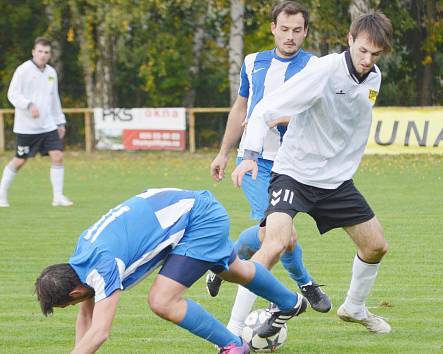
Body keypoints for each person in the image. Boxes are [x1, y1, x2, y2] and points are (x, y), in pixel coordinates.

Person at [231, 11, 394, 334]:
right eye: (362, 51)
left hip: (335, 181)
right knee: (274, 244)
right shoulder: (323, 70)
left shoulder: (373, 77)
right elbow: (266, 108)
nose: (367, 60)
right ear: (349, 40)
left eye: (375, 55)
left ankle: (354, 307)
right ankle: (233, 330)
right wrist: (249, 155)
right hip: (294, 173)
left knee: (376, 245)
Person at [34, 188, 307, 354]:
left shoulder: (102, 267)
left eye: (69, 303)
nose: (76, 306)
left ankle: (233, 346)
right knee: (235, 271)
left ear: (75, 290)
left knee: (162, 300)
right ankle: (290, 302)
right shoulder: (81, 260)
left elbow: (99, 331)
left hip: (197, 219)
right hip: (190, 210)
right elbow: (86, 316)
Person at [208, 0, 331, 335]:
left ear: (305, 31)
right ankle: (304, 285)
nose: (290, 36)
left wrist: (289, 118)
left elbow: (321, 114)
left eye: (297, 30)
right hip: (255, 161)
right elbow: (240, 108)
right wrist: (223, 152)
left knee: (269, 235)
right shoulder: (253, 62)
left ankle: (222, 262)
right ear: (273, 28)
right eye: (284, 29)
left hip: (294, 164)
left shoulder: (315, 67)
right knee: (280, 235)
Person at [1, 37, 73, 208]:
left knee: (58, 156)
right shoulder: (23, 70)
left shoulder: (51, 73)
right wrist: (29, 105)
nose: (43, 55)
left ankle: (58, 197)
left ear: (50, 55)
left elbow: (54, 99)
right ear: (34, 52)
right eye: (40, 51)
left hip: (47, 125)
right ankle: (1, 194)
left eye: (46, 52)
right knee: (20, 160)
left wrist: (60, 122)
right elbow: (12, 94)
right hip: (27, 128)